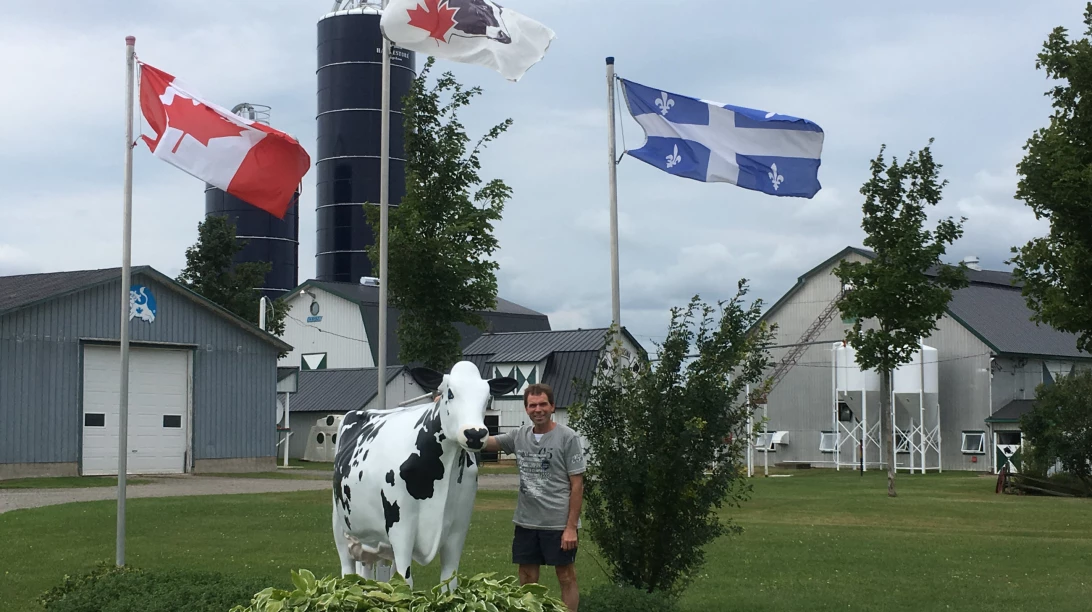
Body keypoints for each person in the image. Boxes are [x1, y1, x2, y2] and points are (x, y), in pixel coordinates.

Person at [483, 383, 584, 611]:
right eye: (532, 405)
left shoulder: (568, 438)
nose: (538, 409)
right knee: (527, 576)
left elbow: (577, 485)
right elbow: (487, 443)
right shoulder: (519, 436)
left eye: (542, 404)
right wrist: (458, 423)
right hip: (527, 521)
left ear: (552, 406)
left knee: (566, 576)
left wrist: (570, 527)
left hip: (558, 523)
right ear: (526, 409)